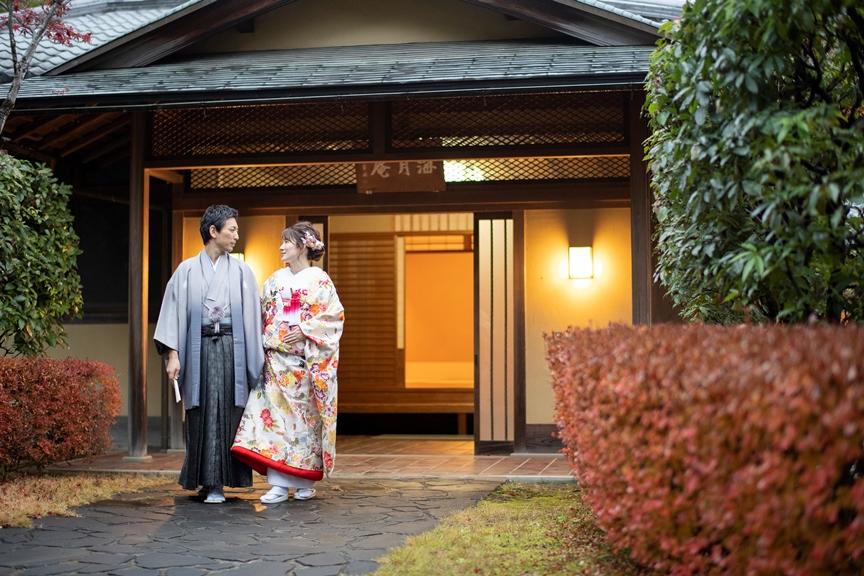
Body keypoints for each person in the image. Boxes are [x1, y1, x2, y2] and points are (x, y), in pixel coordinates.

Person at [154, 205, 264, 504]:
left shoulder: (242, 271)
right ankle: (204, 480)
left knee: (225, 411)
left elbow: (254, 318)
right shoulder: (186, 271)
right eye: (232, 229)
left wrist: (257, 363)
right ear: (213, 232)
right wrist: (173, 356)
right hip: (197, 349)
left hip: (231, 350)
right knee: (201, 413)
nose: (236, 236)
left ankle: (218, 483)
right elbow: (172, 315)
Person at [232, 222, 344, 503]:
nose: (281, 247)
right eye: (281, 242)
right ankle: (280, 484)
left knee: (305, 424)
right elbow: (260, 317)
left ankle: (304, 481)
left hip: (306, 364)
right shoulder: (274, 280)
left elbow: (334, 318)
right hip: (276, 362)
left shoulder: (320, 280)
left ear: (303, 246)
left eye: (287, 242)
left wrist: (306, 328)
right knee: (277, 423)